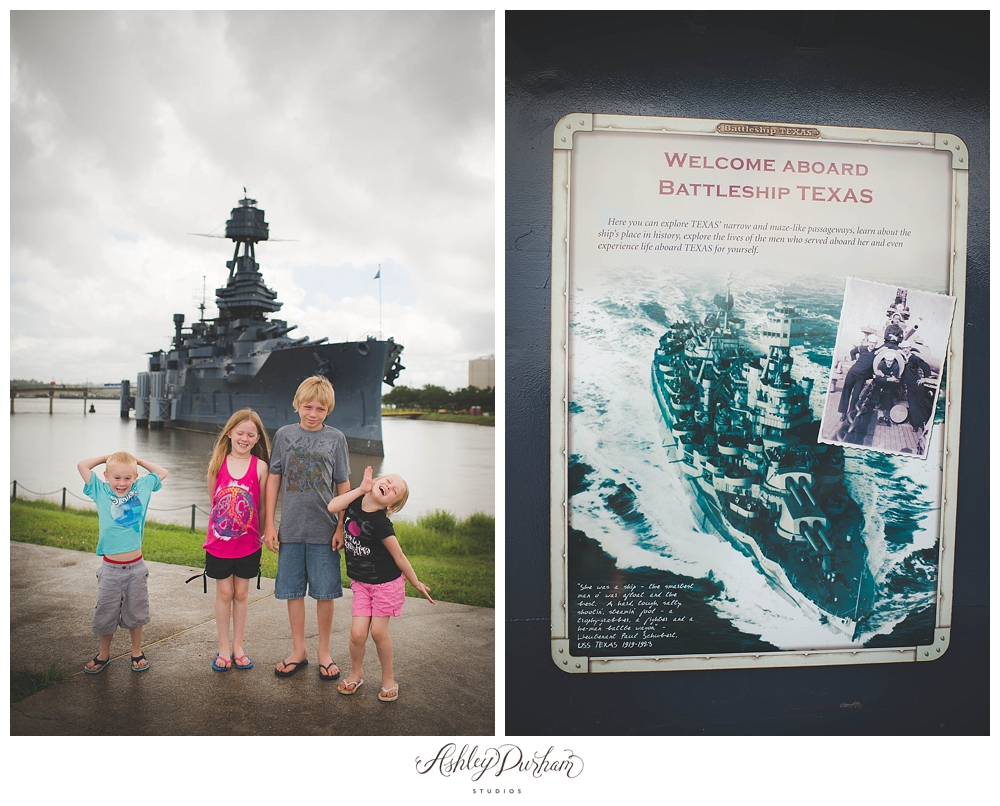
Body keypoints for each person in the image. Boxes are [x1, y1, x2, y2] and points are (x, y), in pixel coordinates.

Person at [263, 376, 350, 681]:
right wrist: (269, 524)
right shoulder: (284, 435)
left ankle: (324, 652)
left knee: (325, 594)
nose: (313, 413)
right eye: (307, 406)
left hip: (325, 532)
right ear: (297, 405)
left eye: (320, 409)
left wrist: (341, 526)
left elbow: (343, 485)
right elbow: (274, 479)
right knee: (293, 592)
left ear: (329, 410)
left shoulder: (336, 439)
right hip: (290, 530)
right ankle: (298, 650)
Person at [328, 466, 434, 702]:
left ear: (391, 506)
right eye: (388, 481)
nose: (389, 486)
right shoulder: (354, 502)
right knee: (357, 634)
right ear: (376, 481)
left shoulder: (381, 524)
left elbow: (399, 556)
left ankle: (388, 678)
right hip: (361, 583)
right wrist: (360, 489)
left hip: (386, 584)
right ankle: (357, 674)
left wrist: (415, 582)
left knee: (377, 632)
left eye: (395, 490)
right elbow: (333, 506)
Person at [77, 451, 168, 674]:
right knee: (106, 612)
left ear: (135, 477)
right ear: (106, 476)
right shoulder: (100, 490)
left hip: (136, 567)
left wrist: (137, 461)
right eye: (116, 477)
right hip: (109, 568)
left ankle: (136, 651)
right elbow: (82, 465)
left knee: (136, 613)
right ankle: (103, 654)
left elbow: (162, 472)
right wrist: (104, 458)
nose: (122, 483)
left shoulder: (142, 487)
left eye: (128, 478)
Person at [204, 409, 270, 672]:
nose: (244, 438)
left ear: (257, 439)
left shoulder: (261, 467)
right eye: (240, 433)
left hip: (248, 545)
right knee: (224, 593)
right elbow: (214, 501)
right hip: (220, 544)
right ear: (229, 433)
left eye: (250, 435)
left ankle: (238, 647)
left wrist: (264, 533)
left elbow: (263, 507)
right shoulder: (217, 463)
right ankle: (223, 648)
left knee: (241, 594)